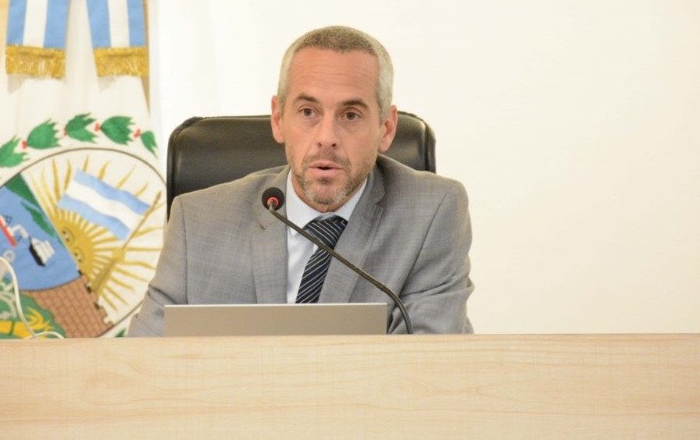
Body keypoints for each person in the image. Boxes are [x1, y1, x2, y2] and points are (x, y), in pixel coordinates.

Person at [127, 25, 473, 336]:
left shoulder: (431, 214)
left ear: (386, 128)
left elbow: (427, 363)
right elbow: (142, 364)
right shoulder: (197, 221)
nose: (327, 137)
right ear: (278, 119)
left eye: (351, 115)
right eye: (308, 112)